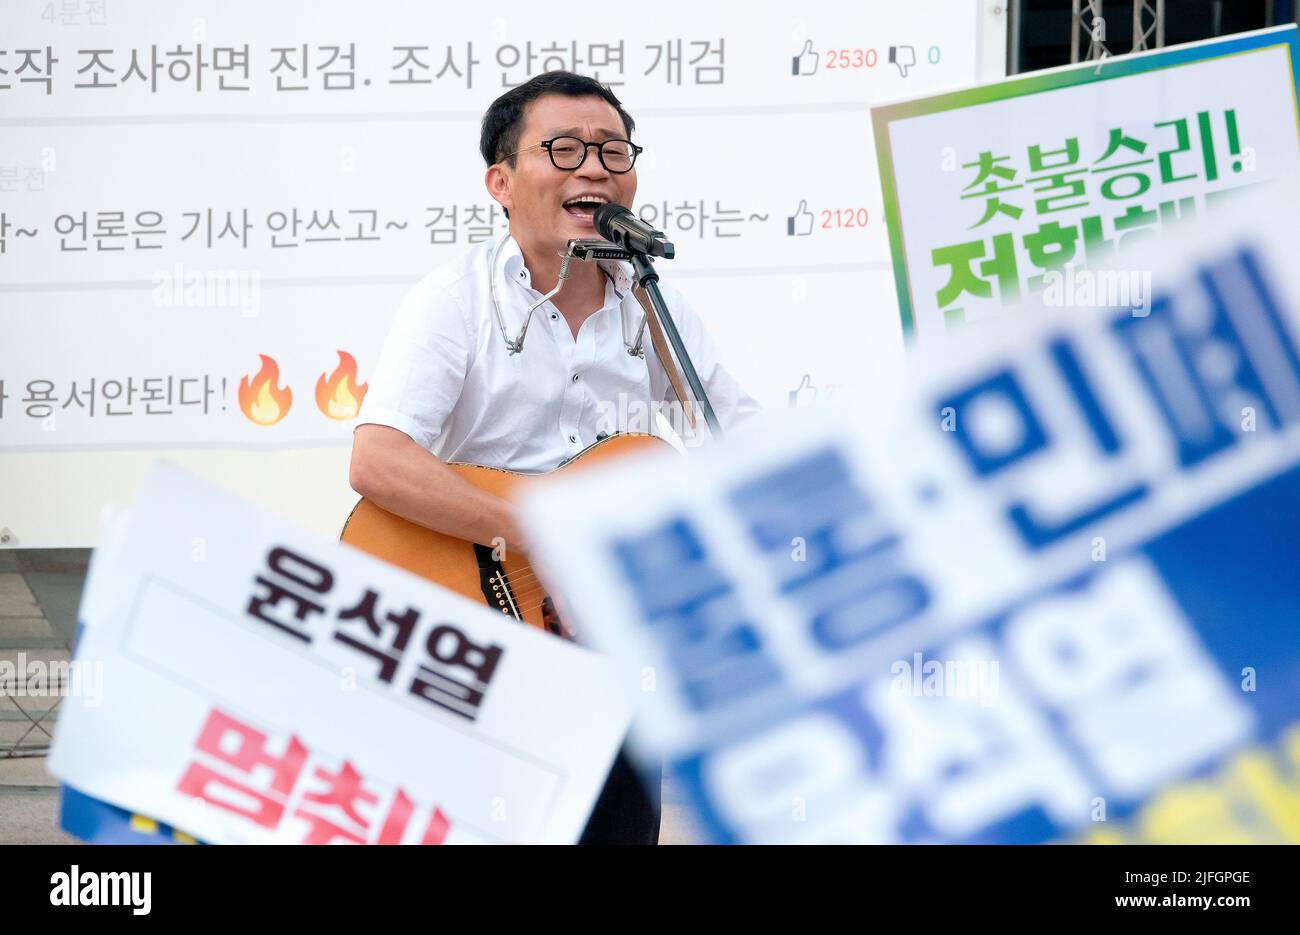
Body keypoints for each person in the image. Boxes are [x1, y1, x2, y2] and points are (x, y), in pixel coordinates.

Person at [348, 70, 758, 844]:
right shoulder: (455, 299)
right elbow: (378, 459)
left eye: (612, 150)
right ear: (500, 182)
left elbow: (733, 432)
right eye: (563, 148)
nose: (595, 168)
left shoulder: (650, 302)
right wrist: (544, 536)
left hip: (609, 640)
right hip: (481, 612)